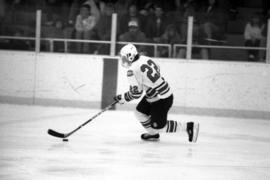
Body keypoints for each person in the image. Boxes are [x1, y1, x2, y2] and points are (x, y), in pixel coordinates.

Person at [114, 44, 199, 142]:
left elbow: (136, 93)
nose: (122, 60)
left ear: (130, 56)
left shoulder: (132, 70)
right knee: (139, 113)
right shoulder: (144, 58)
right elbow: (157, 68)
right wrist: (150, 86)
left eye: (123, 57)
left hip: (162, 99)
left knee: (159, 127)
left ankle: (189, 126)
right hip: (159, 94)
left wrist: (123, 98)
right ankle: (153, 134)